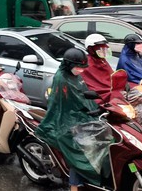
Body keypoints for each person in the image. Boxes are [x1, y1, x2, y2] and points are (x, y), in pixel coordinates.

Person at [35, 48, 104, 190]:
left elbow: (82, 94)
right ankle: (74, 186)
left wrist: (97, 105)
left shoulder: (74, 75)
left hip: (79, 116)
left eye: (82, 67)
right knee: (79, 152)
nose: (81, 70)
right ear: (68, 65)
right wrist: (89, 111)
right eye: (78, 67)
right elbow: (65, 104)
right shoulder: (62, 79)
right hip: (65, 121)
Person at [79, 34, 115, 103]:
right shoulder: (87, 63)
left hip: (111, 93)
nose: (103, 51)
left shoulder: (102, 60)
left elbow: (112, 75)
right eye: (100, 49)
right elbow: (94, 85)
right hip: (100, 97)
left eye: (104, 48)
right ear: (91, 49)